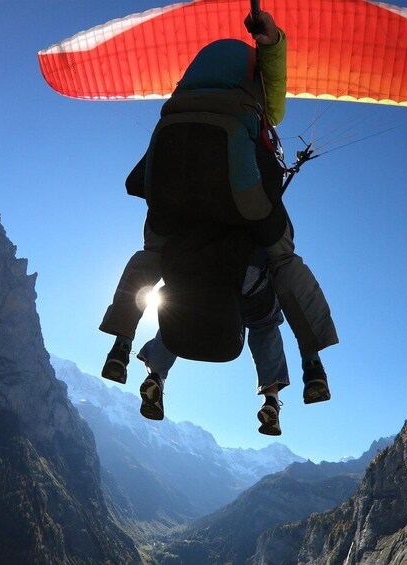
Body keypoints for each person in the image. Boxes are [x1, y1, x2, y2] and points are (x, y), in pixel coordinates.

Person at [99, 10, 337, 405]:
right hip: (232, 176)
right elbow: (273, 97)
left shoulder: (187, 86)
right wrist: (273, 40)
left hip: (168, 169)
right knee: (281, 259)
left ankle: (121, 345)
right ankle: (312, 364)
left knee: (153, 254)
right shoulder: (252, 87)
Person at [137, 249, 289, 436]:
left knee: (177, 308)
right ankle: (271, 398)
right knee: (265, 322)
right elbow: (279, 239)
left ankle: (156, 376)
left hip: (192, 261)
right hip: (243, 268)